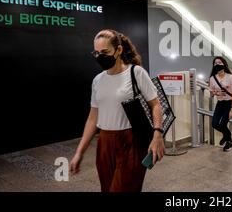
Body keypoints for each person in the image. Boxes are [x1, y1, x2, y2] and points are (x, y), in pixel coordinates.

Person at [69, 29, 165, 192]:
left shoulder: (136, 73)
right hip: (105, 142)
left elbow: (155, 104)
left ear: (118, 50)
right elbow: (93, 118)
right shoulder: (98, 80)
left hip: (131, 141)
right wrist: (80, 152)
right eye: (96, 53)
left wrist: (157, 135)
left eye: (105, 52)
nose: (100, 57)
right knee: (107, 188)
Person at [208, 57, 232, 152]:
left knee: (222, 124)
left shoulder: (231, 77)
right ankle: (228, 135)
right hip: (220, 103)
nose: (217, 64)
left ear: (224, 64)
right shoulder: (212, 78)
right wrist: (217, 93)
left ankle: (229, 141)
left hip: (229, 103)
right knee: (214, 124)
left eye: (219, 62)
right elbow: (211, 92)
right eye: (215, 63)